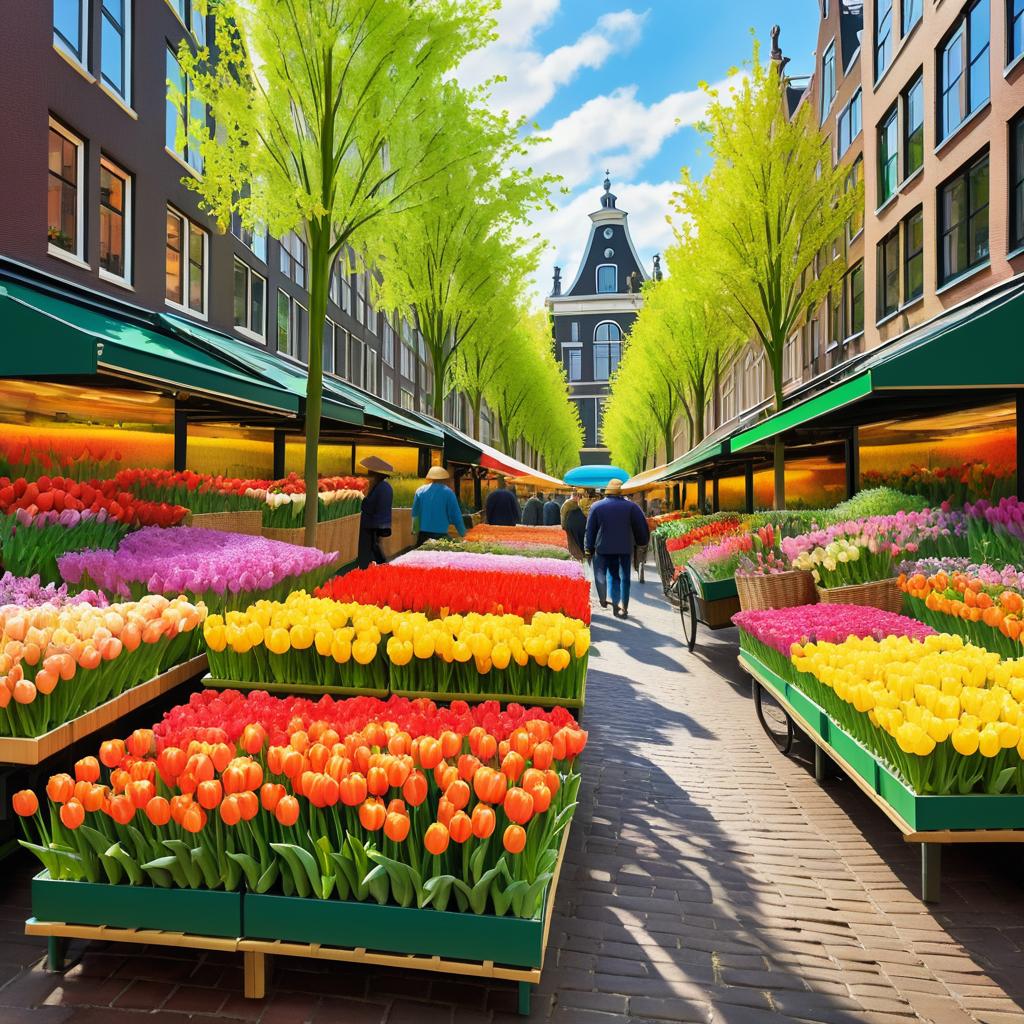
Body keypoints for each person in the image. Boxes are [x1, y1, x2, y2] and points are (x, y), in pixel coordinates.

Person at [585, 479, 650, 619]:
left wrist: (588, 549)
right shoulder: (632, 507)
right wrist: (641, 543)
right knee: (622, 577)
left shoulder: (596, 506)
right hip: (624, 548)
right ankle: (622, 606)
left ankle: (603, 598)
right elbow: (641, 527)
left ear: (607, 492)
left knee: (601, 574)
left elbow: (590, 530)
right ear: (621, 493)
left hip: (602, 548)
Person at [412, 466, 466, 546]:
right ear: (444, 479)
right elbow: (455, 515)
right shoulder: (448, 492)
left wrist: (415, 530)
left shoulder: (420, 491)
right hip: (440, 534)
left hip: (423, 534)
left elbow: (415, 513)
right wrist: (463, 533)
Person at [357, 455, 394, 569]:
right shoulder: (386, 487)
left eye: (370, 474)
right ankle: (380, 565)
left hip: (372, 524)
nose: (368, 477)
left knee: (372, 547)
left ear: (376, 475)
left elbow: (369, 506)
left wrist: (361, 499)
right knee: (375, 546)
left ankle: (378, 566)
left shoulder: (380, 487)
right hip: (381, 523)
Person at [560, 494, 587, 561]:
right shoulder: (581, 503)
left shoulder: (567, 504)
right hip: (581, 523)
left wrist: (563, 525)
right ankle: (581, 554)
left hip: (572, 524)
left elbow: (563, 515)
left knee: (573, 541)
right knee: (580, 539)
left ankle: (577, 555)